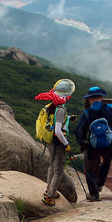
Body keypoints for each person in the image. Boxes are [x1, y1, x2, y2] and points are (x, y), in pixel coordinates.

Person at [74, 86, 112, 202]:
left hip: (92, 145)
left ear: (89, 99)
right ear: (101, 97)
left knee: (89, 168)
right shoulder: (111, 108)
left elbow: (78, 131)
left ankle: (93, 194)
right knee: (106, 162)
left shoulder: (87, 112)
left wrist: (82, 144)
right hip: (108, 143)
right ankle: (100, 184)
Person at [34, 78, 76, 206]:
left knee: (52, 166)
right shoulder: (60, 109)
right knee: (58, 170)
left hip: (50, 142)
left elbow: (54, 122)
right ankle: (49, 196)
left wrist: (68, 118)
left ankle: (49, 189)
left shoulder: (51, 105)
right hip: (58, 143)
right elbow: (58, 131)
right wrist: (66, 144)